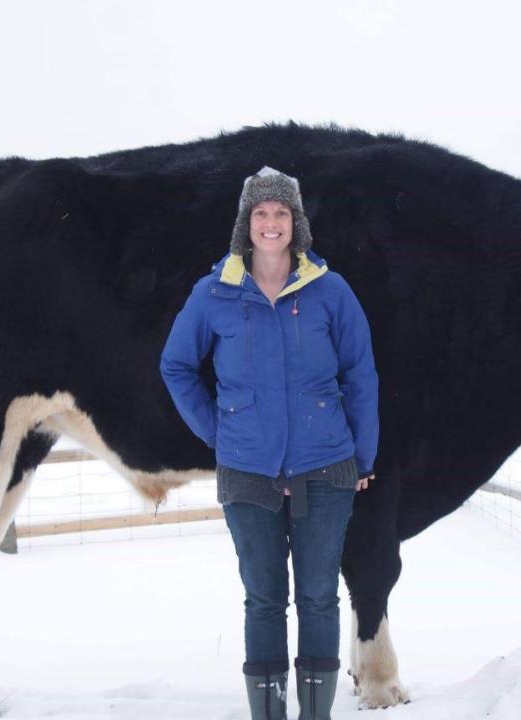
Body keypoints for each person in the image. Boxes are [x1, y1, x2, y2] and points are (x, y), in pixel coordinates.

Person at [160, 166, 378, 720]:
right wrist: (220, 432)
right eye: (261, 213)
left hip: (326, 467)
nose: (271, 222)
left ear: (296, 222)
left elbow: (360, 374)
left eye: (281, 212)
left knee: (318, 597)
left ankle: (314, 714)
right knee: (263, 601)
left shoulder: (330, 290)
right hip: (247, 471)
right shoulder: (215, 293)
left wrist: (364, 455)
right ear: (246, 223)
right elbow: (177, 365)